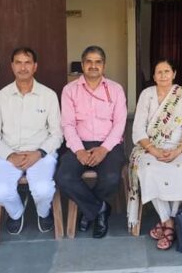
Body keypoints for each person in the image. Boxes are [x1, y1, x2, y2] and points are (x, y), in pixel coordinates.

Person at [0, 47, 62, 235]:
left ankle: (43, 213)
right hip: (8, 154)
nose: (23, 67)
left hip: (40, 154)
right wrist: (9, 155)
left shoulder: (48, 96)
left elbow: (57, 134)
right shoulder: (0, 98)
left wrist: (39, 153)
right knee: (0, 192)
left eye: (27, 63)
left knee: (43, 190)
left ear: (35, 66)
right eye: (18, 63)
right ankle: (16, 213)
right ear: (12, 66)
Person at [55, 45, 127, 239]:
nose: (93, 66)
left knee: (111, 177)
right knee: (63, 177)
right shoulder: (70, 90)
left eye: (98, 62)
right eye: (89, 61)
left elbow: (120, 124)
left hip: (109, 144)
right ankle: (99, 209)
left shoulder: (115, 89)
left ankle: (88, 212)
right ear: (82, 64)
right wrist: (79, 150)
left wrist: (104, 149)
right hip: (79, 143)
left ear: (104, 65)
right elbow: (68, 124)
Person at [128, 59, 182, 250]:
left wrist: (177, 150)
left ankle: (169, 218)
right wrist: (153, 150)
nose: (163, 75)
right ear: (154, 76)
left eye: (167, 71)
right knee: (149, 169)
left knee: (181, 169)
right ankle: (168, 221)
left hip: (179, 147)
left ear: (174, 74)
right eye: (159, 72)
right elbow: (138, 128)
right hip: (151, 146)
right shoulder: (146, 95)